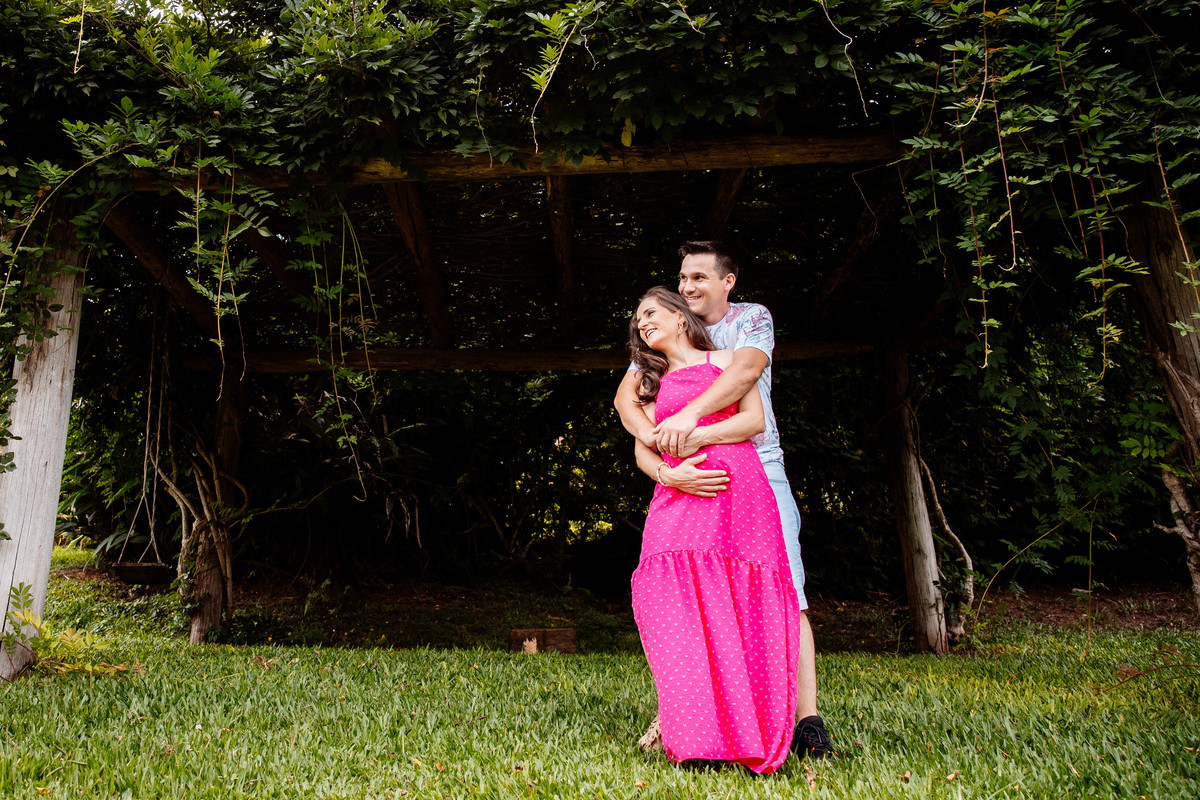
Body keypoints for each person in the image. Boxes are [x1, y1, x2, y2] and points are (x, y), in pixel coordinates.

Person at [614, 241, 836, 761]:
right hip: (682, 486)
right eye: (682, 278)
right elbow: (628, 405)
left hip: (758, 468)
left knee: (782, 587)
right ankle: (693, 716)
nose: (688, 286)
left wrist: (689, 426)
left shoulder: (748, 324)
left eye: (698, 278)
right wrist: (668, 465)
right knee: (684, 598)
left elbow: (745, 379)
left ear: (727, 281)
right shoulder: (651, 360)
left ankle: (804, 720)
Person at [626, 286, 799, 774]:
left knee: (742, 605)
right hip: (676, 495)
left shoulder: (727, 360)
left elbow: (753, 420)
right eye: (637, 319)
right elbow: (645, 445)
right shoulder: (648, 379)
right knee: (668, 603)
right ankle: (696, 736)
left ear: (680, 318)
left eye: (650, 313)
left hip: (738, 491)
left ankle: (743, 736)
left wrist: (695, 432)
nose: (641, 323)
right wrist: (668, 471)